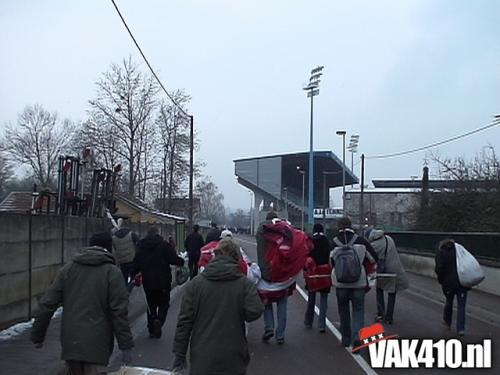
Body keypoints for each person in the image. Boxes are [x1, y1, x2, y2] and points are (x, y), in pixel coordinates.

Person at [31, 232, 134, 374]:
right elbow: (119, 312)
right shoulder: (112, 272)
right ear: (110, 248)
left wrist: (38, 335)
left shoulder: (68, 269)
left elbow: (47, 304)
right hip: (98, 344)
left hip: (71, 343)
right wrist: (125, 345)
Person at [172, 238, 264, 375]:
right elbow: (254, 311)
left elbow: (184, 322)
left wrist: (180, 353)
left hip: (202, 355)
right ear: (236, 258)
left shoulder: (196, 284)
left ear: (215, 255)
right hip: (233, 355)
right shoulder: (244, 284)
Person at [331, 217, 377, 350]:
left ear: (338, 226)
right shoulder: (361, 241)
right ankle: (357, 338)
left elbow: (331, 262)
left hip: (340, 283)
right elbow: (373, 258)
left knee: (343, 310)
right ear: (351, 226)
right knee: (358, 310)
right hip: (358, 282)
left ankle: (345, 338)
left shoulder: (334, 242)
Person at [134, 227, 185, 338]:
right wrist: (181, 261)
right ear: (158, 234)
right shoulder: (164, 245)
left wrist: (135, 273)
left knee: (150, 305)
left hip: (147, 281)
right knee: (164, 304)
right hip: (163, 281)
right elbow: (174, 259)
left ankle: (152, 328)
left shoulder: (141, 246)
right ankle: (160, 320)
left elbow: (136, 262)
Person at [256, 211, 287, 344]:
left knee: (266, 302)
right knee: (282, 304)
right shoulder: (283, 230)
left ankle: (269, 327)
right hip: (281, 272)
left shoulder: (260, 230)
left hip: (265, 271)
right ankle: (280, 335)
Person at [368, 229, 409, 324]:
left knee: (379, 290)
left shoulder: (374, 245)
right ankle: (389, 317)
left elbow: (370, 258)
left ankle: (381, 314)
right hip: (394, 270)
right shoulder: (389, 239)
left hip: (382, 271)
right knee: (392, 292)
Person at [435, 239, 469, 336]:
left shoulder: (441, 253)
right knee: (461, 306)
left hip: (448, 283)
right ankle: (461, 328)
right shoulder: (459, 252)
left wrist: (441, 280)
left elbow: (439, 269)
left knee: (449, 302)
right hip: (462, 282)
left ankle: (447, 323)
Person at [304, 223, 331, 332]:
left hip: (313, 272)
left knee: (311, 298)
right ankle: (322, 324)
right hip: (325, 271)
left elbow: (306, 255)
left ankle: (308, 322)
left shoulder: (311, 241)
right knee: (324, 300)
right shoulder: (327, 241)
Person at [112, 221, 139, 292]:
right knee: (134, 278)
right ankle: (127, 292)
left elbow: (114, 249)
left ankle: (124, 291)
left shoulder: (114, 237)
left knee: (124, 278)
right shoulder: (132, 234)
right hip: (132, 260)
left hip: (121, 261)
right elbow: (139, 244)